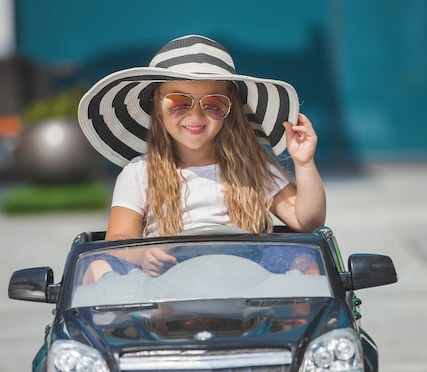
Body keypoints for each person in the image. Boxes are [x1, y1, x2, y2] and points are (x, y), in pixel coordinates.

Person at [78, 35, 325, 280]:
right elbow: (118, 239)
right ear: (157, 107)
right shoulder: (139, 172)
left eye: (213, 103)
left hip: (247, 279)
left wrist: (304, 163)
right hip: (165, 285)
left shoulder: (252, 167)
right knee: (99, 266)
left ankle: (294, 320)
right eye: (177, 102)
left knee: (305, 262)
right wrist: (144, 255)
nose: (195, 115)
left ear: (231, 109)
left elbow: (307, 221)